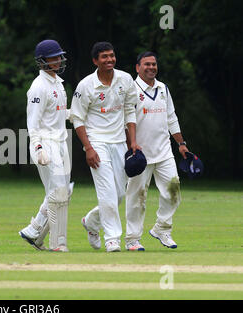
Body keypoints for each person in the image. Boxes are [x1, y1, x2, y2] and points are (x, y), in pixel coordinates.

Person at [71, 41, 139, 252]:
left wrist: (132, 140)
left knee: (119, 193)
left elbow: (130, 110)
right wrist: (88, 148)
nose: (109, 59)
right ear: (95, 61)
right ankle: (112, 238)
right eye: (104, 57)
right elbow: (77, 118)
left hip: (119, 142)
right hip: (97, 142)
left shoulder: (125, 79)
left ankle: (91, 221)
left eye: (112, 55)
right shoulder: (85, 85)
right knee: (107, 193)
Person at [124, 51, 188, 251]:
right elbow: (126, 121)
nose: (151, 67)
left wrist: (181, 143)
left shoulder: (163, 88)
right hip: (140, 155)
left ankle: (162, 228)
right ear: (137, 67)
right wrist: (130, 146)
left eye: (153, 64)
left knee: (173, 191)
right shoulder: (130, 89)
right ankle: (132, 239)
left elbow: (171, 117)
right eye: (146, 64)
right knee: (137, 198)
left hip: (164, 152)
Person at [18, 40, 72, 252]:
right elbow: (33, 122)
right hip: (45, 143)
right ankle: (57, 243)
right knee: (58, 192)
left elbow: (58, 114)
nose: (58, 60)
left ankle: (35, 231)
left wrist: (74, 115)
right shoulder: (38, 87)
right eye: (54, 57)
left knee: (63, 191)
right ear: (42, 61)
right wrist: (38, 148)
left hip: (60, 142)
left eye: (59, 56)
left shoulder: (58, 82)